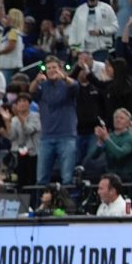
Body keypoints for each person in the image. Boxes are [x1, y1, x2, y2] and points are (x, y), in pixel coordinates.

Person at [31, 56, 79, 185]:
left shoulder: (67, 84)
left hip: (66, 136)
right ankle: (42, 205)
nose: (52, 70)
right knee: (41, 178)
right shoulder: (43, 85)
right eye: (49, 68)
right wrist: (36, 81)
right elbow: (31, 91)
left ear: (60, 69)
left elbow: (75, 86)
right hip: (46, 137)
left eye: (54, 68)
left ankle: (67, 204)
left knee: (67, 178)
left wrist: (63, 77)